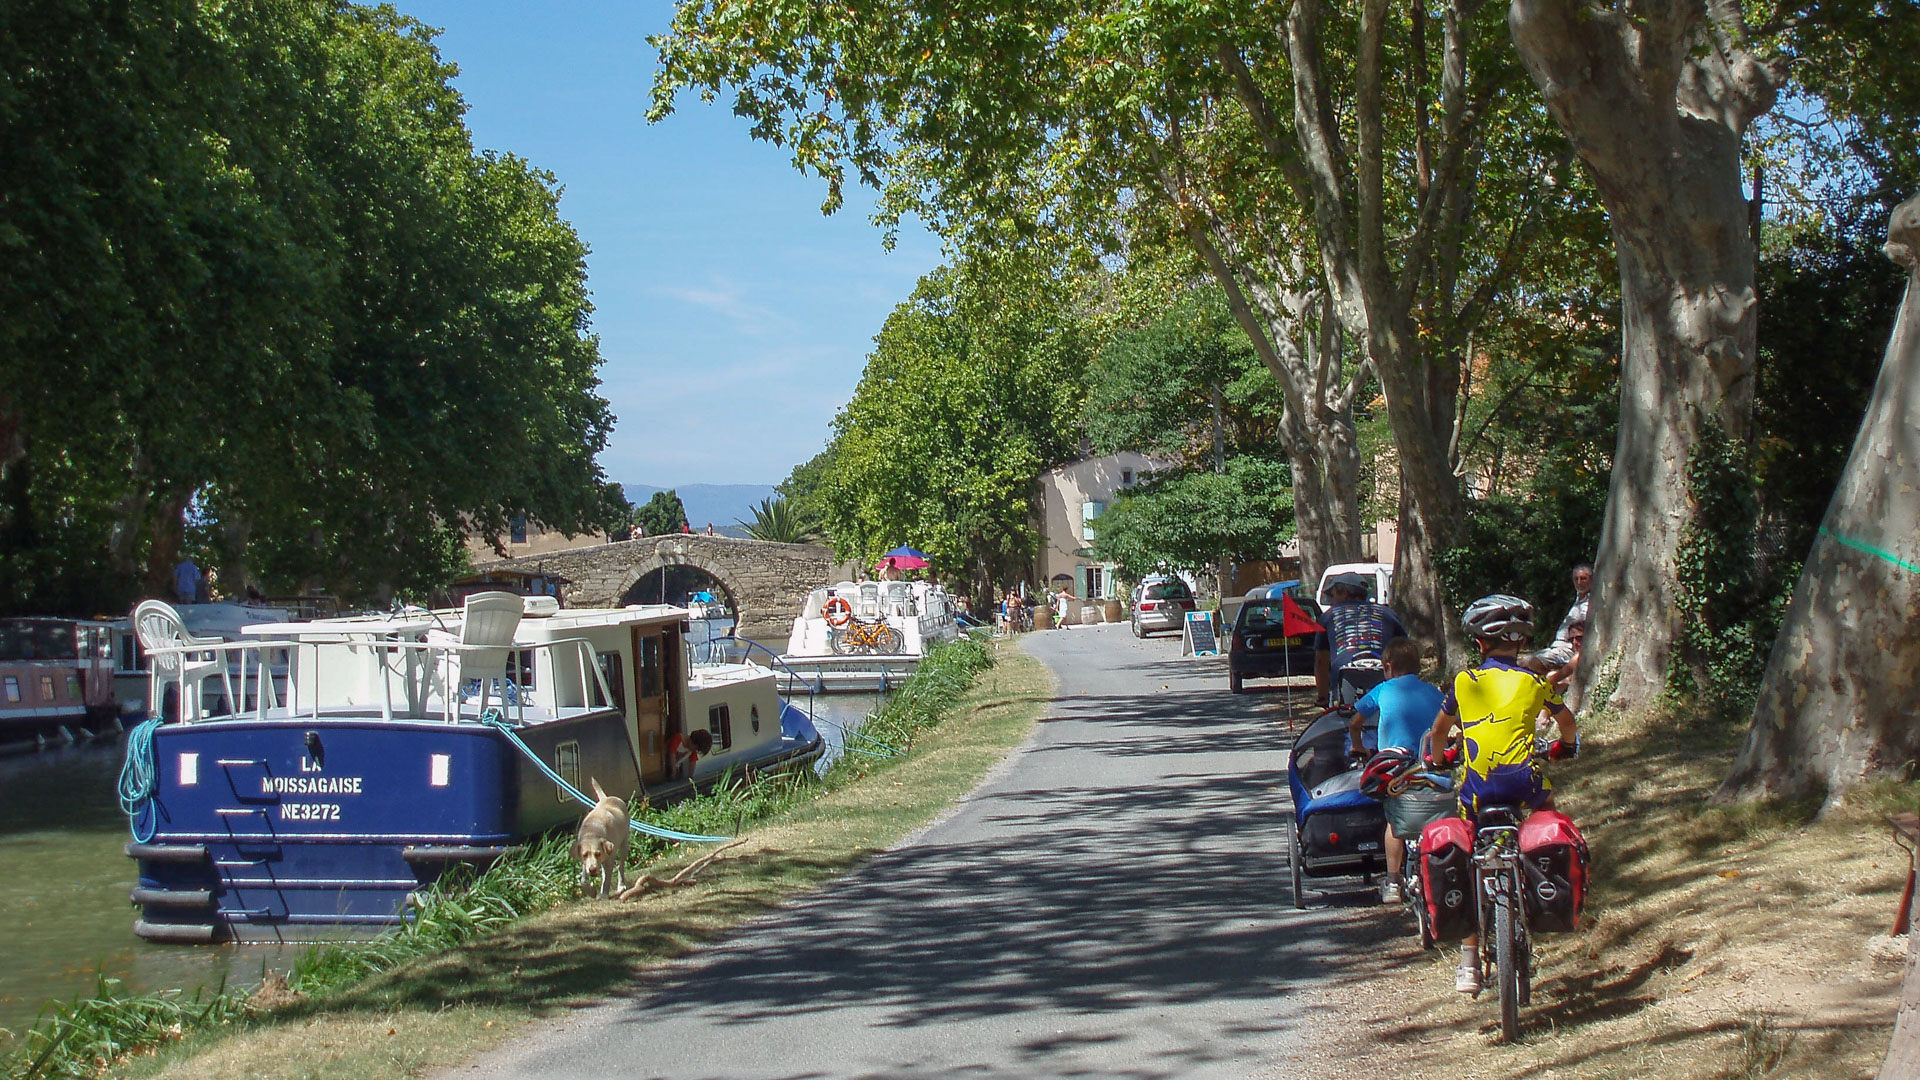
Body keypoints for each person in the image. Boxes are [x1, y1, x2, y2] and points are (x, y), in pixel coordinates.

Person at [1426, 593, 1579, 996]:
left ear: (1479, 644)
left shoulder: (1465, 682)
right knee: (1548, 813)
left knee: (1468, 847)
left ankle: (1469, 962)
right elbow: (1567, 721)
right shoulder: (1534, 682)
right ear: (1522, 643)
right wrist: (1567, 746)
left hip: (1478, 789)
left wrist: (1439, 758)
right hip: (1523, 786)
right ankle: (1543, 882)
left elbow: (1440, 730)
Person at [1348, 637, 1444, 904]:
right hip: (1429, 763)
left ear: (1388, 666)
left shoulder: (1382, 690)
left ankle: (1392, 882)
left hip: (1397, 769)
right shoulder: (1433, 692)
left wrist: (1358, 747)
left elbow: (1355, 723)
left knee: (1395, 822)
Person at [1315, 574, 1407, 706]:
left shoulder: (1328, 616)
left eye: (1332, 595)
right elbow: (1404, 653)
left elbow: (1321, 661)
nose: (1331, 601)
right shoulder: (1387, 613)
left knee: (1343, 717)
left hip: (1344, 681)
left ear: (1345, 593)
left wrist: (1322, 696)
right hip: (1384, 678)